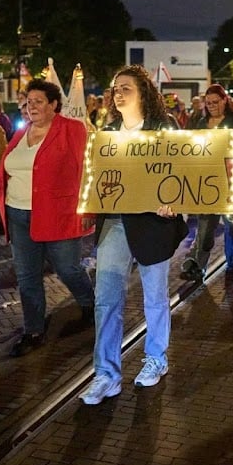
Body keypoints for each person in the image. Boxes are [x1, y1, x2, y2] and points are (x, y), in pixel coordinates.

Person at [80, 65, 186, 405]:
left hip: (153, 224)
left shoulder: (164, 128)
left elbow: (182, 173)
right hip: (115, 221)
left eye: (126, 87)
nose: (118, 92)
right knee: (106, 298)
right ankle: (106, 374)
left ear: (144, 92)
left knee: (154, 295)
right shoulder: (107, 132)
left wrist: (173, 201)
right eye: (115, 88)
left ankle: (156, 357)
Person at [0, 80, 96, 357]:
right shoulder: (21, 132)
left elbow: (88, 169)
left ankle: (89, 303)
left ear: (54, 104)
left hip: (58, 214)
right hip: (17, 213)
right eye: (29, 101)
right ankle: (34, 331)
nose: (32, 106)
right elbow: (11, 167)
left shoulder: (72, 129)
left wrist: (88, 208)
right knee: (27, 276)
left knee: (68, 269)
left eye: (39, 101)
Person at [181, 84, 233, 281]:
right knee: (205, 226)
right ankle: (199, 264)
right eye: (209, 103)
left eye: (216, 102)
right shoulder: (202, 123)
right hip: (208, 183)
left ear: (224, 101)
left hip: (232, 183)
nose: (212, 106)